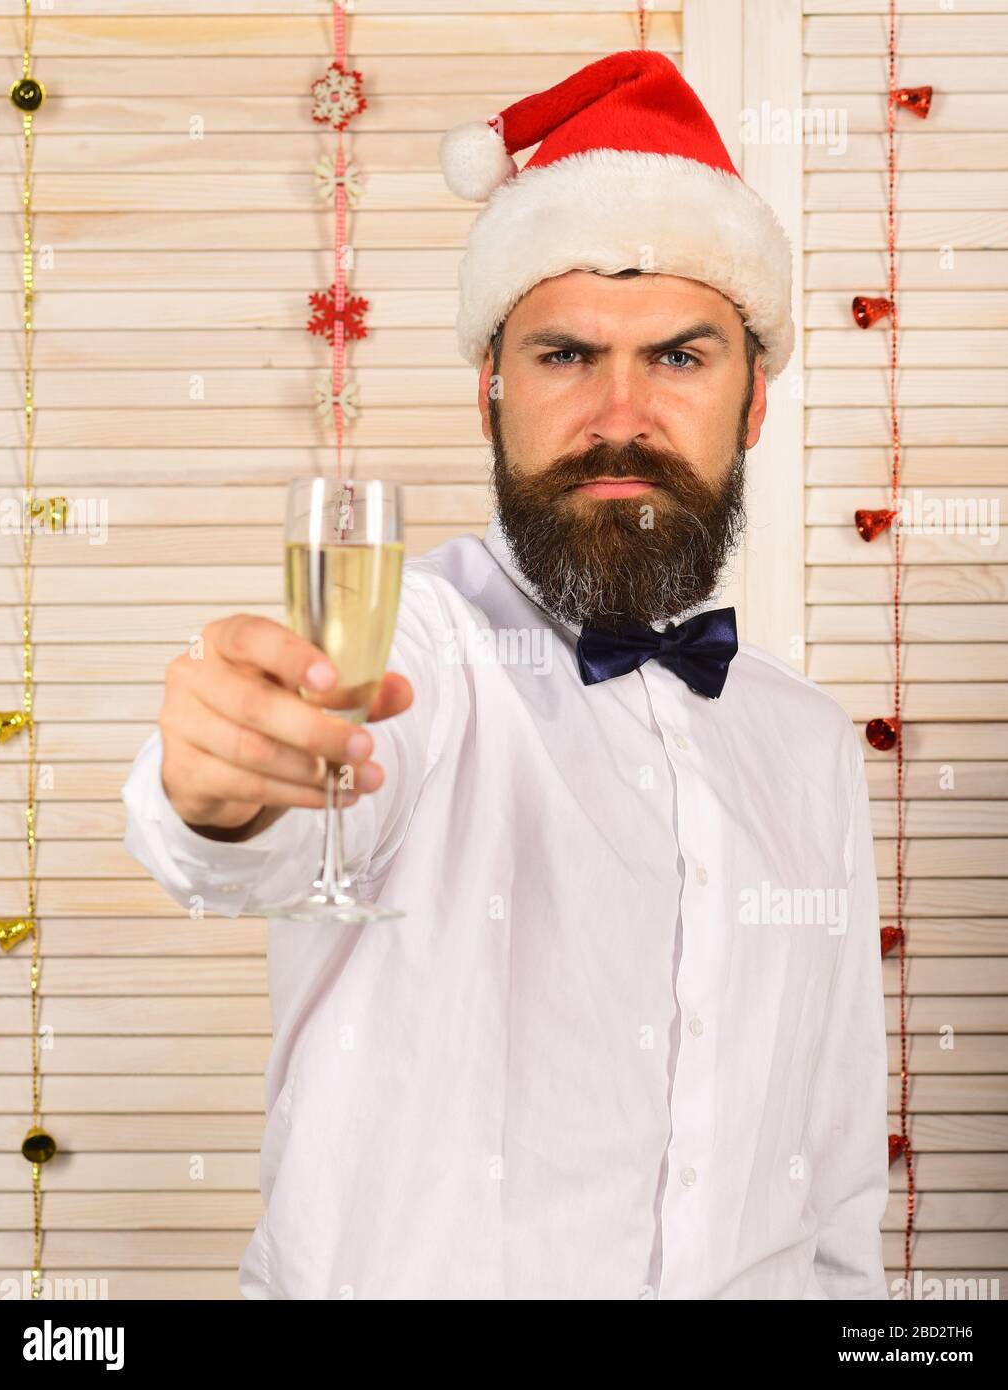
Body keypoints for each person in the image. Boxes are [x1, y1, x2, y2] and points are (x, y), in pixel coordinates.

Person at [121, 49, 890, 1299]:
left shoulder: (809, 745)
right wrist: (219, 789)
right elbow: (280, 803)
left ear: (754, 403)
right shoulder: (416, 642)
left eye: (682, 359)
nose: (622, 412)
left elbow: (842, 1170)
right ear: (489, 390)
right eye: (565, 355)